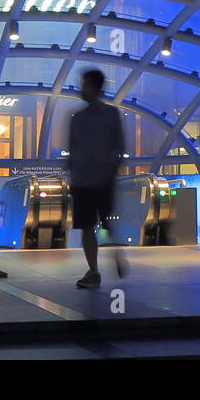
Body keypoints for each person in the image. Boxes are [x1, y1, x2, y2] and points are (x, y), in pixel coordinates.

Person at [68, 69, 128, 288]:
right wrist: (112, 166)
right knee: (103, 222)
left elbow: (73, 150)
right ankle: (107, 259)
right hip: (100, 178)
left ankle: (94, 271)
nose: (81, 89)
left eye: (85, 84)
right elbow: (119, 146)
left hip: (85, 179)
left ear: (95, 88)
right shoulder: (109, 114)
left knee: (87, 225)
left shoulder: (78, 118)